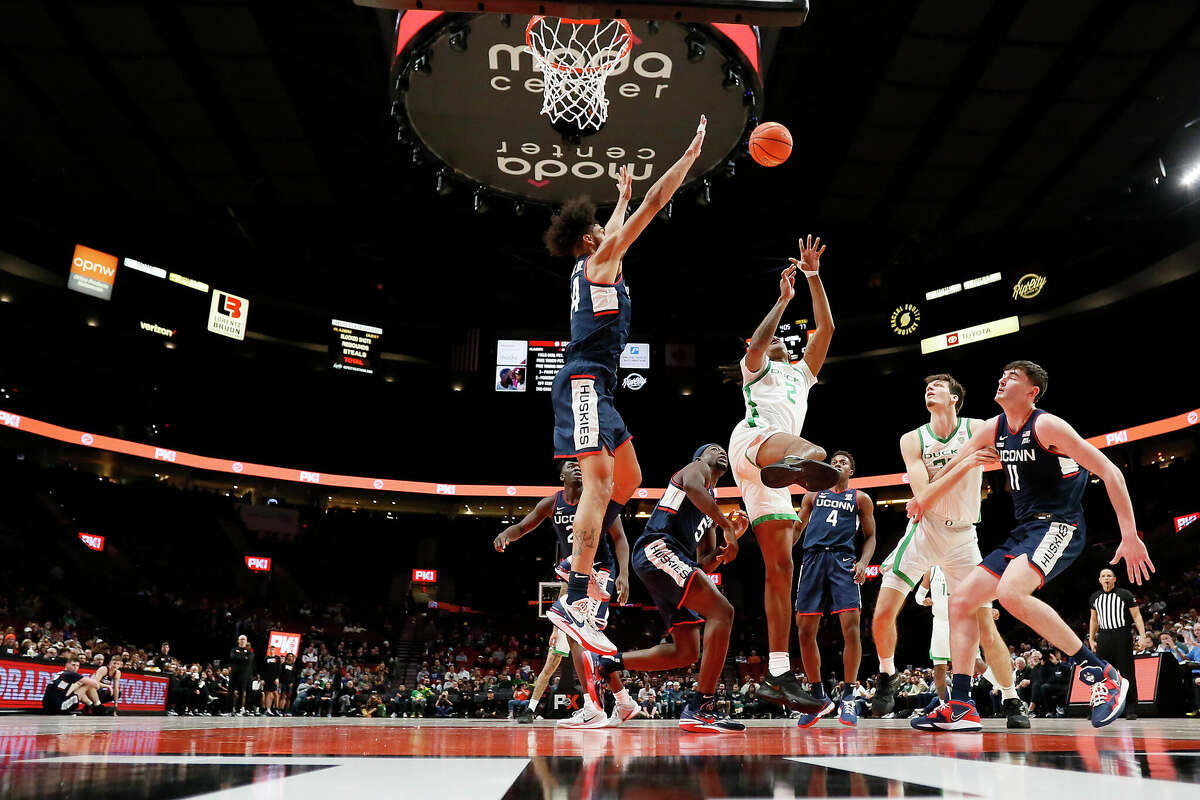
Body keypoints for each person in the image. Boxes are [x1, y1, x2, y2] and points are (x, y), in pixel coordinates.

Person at [909, 361, 1154, 731]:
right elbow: (950, 468)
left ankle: (1104, 675)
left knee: (1009, 593)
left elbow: (1110, 472)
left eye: (1012, 377)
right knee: (960, 601)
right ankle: (959, 705)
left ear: (1031, 392)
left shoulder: (1047, 425)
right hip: (1023, 531)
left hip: (1060, 524)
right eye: (1001, 374)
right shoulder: (995, 428)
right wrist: (927, 495)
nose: (1001, 379)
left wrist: (1130, 535)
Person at [543, 116, 707, 656]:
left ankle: (578, 557)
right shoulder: (601, 262)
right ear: (592, 240)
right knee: (596, 483)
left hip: (602, 388)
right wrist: (686, 159)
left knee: (628, 479)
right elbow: (652, 210)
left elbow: (615, 229)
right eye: (602, 229)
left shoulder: (594, 262)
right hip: (584, 381)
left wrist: (620, 196)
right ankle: (574, 595)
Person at [874, 373, 1028, 729]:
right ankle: (886, 673)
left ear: (955, 397)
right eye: (927, 385)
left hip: (963, 538)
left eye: (939, 385)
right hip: (924, 531)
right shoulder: (912, 439)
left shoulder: (977, 428)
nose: (930, 387)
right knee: (882, 613)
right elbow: (924, 495)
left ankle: (1012, 698)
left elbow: (1017, 442)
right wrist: (967, 462)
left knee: (986, 625)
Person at [728, 244, 840, 713]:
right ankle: (797, 470)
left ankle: (778, 671)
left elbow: (828, 329)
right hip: (753, 442)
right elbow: (756, 344)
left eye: (781, 337)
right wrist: (782, 300)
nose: (777, 340)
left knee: (781, 568)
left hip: (765, 477)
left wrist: (813, 278)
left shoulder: (802, 373)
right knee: (816, 452)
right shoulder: (756, 368)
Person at [595, 444, 749, 733]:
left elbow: (703, 566)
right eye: (714, 449)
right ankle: (702, 707)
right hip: (658, 547)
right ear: (700, 456)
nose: (721, 451)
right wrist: (726, 523)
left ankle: (608, 663)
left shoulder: (709, 505)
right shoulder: (696, 471)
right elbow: (692, 485)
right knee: (722, 611)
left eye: (722, 449)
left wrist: (723, 550)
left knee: (686, 651)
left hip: (672, 561)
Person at [493, 459, 636, 726]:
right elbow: (523, 527)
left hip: (599, 570)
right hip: (578, 575)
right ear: (562, 475)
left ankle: (596, 705)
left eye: (580, 462)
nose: (578, 466)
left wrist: (624, 574)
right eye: (571, 464)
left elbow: (620, 538)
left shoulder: (597, 497)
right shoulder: (551, 503)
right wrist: (506, 534)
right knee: (579, 637)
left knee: (578, 631)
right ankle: (622, 700)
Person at [792, 450, 876, 727]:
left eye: (844, 463)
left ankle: (849, 695)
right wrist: (779, 549)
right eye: (834, 462)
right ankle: (817, 697)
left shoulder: (860, 498)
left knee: (851, 628)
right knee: (804, 629)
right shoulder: (812, 496)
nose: (838, 465)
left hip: (843, 561)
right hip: (813, 558)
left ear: (851, 471)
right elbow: (796, 531)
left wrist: (864, 562)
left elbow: (871, 536)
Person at [1089, 567, 1145, 719]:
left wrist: (1143, 636)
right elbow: (1094, 620)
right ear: (1099, 580)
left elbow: (1137, 616)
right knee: (1102, 674)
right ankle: (1100, 708)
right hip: (1104, 637)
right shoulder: (1095, 597)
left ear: (1114, 579)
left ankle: (1131, 709)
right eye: (1103, 576)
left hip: (1122, 635)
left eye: (1109, 575)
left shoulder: (1125, 594)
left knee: (1127, 672)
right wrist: (1092, 638)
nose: (1106, 578)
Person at [229, 634, 254, 715]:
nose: (242, 641)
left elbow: (249, 660)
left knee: (241, 692)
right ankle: (229, 710)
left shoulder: (249, 652)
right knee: (231, 691)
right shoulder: (234, 650)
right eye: (241, 639)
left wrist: (239, 657)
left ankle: (238, 709)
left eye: (244, 639)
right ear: (238, 641)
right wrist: (243, 657)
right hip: (234, 673)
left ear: (246, 641)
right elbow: (233, 657)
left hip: (243, 675)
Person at [261, 646, 282, 717]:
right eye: (271, 649)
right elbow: (263, 669)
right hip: (267, 678)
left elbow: (279, 669)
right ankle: (268, 710)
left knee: (276, 694)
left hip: (274, 678)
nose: (272, 650)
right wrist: (263, 679)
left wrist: (277, 678)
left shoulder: (277, 658)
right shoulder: (266, 658)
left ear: (275, 650)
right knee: (267, 694)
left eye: (273, 649)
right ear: (269, 650)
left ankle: (276, 709)